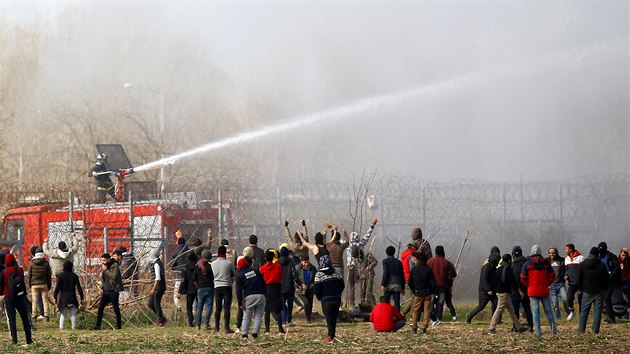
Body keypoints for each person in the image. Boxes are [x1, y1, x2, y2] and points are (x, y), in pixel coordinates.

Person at [521, 244, 557, 338]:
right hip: (544, 290)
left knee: (535, 312)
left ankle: (538, 333)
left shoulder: (527, 264)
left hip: (532, 291)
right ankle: (554, 331)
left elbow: (523, 278)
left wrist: (529, 285)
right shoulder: (546, 263)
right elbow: (552, 276)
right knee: (548, 311)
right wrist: (547, 284)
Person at [487, 254, 528, 334]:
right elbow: (512, 281)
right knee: (499, 310)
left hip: (499, 292)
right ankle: (491, 328)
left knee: (511, 310)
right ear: (509, 260)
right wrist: (519, 290)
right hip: (504, 293)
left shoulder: (498, 268)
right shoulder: (507, 269)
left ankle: (519, 327)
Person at [0, 253, 32, 345]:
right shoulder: (20, 270)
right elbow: (21, 280)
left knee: (12, 319)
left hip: (8, 297)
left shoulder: (4, 272)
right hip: (20, 297)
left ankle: (14, 340)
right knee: (25, 318)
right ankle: (28, 339)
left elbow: (1, 287)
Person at [577, 247, 608, 334]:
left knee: (584, 312)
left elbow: (579, 278)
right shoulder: (601, 265)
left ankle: (581, 330)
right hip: (599, 291)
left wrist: (580, 289)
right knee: (597, 312)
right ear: (597, 255)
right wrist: (605, 288)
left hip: (586, 291)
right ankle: (595, 331)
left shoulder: (582, 264)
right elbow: (605, 279)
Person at [346, 218, 377, 307]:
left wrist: (334, 231)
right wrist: (372, 226)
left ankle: (353, 304)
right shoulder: (360, 244)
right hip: (358, 268)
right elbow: (367, 236)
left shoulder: (348, 244)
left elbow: (339, 240)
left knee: (352, 286)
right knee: (361, 286)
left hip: (352, 268)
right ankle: (362, 303)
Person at [314, 255, 344, 343]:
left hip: (326, 299)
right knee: (334, 318)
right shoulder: (337, 273)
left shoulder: (319, 274)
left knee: (328, 318)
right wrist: (337, 294)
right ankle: (332, 335)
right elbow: (342, 286)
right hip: (337, 299)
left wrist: (320, 298)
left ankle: (330, 336)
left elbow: (317, 289)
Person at [236, 256, 266, 341]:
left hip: (249, 296)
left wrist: (240, 303)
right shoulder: (256, 271)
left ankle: (244, 335)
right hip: (261, 295)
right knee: (258, 316)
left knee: (247, 316)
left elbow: (238, 290)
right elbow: (263, 283)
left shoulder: (240, 275)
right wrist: (265, 295)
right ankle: (255, 335)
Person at [427, 245, 456, 324]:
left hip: (432, 286)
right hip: (443, 286)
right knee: (440, 302)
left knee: (433, 302)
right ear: (443, 252)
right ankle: (439, 318)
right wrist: (450, 285)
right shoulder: (446, 263)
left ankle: (433, 318)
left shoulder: (430, 262)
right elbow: (451, 275)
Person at [467, 253, 499, 324]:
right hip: (484, 291)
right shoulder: (486, 268)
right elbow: (483, 279)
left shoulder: (493, 268)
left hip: (492, 290)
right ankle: (469, 315)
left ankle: (494, 320)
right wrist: (488, 289)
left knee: (495, 305)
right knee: (481, 306)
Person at [93, 253, 123, 330]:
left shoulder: (114, 266)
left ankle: (118, 325)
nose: (103, 262)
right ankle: (97, 325)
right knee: (100, 308)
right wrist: (101, 288)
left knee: (116, 308)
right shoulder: (104, 268)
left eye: (104, 260)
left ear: (108, 259)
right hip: (106, 291)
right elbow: (103, 279)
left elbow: (114, 277)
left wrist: (106, 270)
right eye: (102, 260)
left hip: (113, 291)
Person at [408, 252, 435, 335]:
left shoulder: (414, 269)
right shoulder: (428, 269)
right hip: (427, 292)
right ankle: (424, 327)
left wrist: (414, 290)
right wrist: (432, 291)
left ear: (418, 259)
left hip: (418, 292)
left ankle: (414, 327)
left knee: (415, 310)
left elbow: (410, 282)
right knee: (427, 310)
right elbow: (433, 282)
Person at [259, 250, 285, 334]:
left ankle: (267, 329)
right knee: (278, 309)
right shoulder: (278, 267)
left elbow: (260, 278)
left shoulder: (262, 268)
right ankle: (280, 328)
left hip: (266, 288)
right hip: (277, 287)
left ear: (265, 258)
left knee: (267, 309)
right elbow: (281, 276)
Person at [211, 245, 236, 333]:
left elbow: (211, 276)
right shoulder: (228, 263)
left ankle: (216, 327)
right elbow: (233, 275)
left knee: (218, 308)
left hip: (217, 287)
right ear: (225, 253)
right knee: (226, 308)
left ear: (217, 253)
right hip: (227, 286)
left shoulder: (213, 264)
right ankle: (226, 327)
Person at [53, 261, 84, 330]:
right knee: (73, 314)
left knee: (63, 315)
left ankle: (61, 328)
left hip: (63, 297)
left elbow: (57, 288)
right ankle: (74, 327)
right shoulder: (74, 276)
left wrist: (55, 297)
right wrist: (82, 297)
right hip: (72, 296)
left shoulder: (60, 276)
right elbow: (79, 288)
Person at [597, 242, 621, 324]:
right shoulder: (599, 257)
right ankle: (609, 315)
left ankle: (611, 317)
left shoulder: (611, 257)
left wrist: (610, 276)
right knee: (603, 299)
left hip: (610, 280)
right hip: (601, 281)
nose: (600, 252)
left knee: (607, 298)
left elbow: (617, 268)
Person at [510, 246, 533, 331]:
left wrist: (518, 289)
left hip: (515, 290)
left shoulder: (512, 265)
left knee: (515, 310)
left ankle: (515, 327)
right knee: (527, 308)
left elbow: (512, 279)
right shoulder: (527, 262)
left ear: (513, 254)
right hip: (526, 289)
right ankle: (530, 326)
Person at [28, 248, 51, 322]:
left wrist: (29, 284)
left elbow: (29, 275)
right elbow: (48, 275)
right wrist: (49, 285)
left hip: (34, 284)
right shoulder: (46, 263)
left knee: (34, 301)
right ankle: (46, 315)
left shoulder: (32, 263)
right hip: (44, 283)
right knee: (45, 300)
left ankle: (34, 316)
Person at [193, 249, 214, 330]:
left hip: (200, 288)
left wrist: (197, 286)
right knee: (209, 306)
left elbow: (194, 278)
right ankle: (206, 323)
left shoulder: (197, 265)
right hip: (209, 288)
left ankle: (198, 324)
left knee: (199, 307)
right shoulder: (210, 265)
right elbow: (213, 277)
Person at [547, 247, 570, 320]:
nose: (552, 254)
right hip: (551, 285)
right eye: (550, 253)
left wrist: (566, 275)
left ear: (556, 253)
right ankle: (558, 318)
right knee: (555, 303)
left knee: (565, 299)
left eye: (553, 253)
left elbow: (567, 269)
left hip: (560, 284)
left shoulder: (562, 260)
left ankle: (569, 314)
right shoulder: (547, 261)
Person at [564, 243, 584, 321]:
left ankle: (581, 315)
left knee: (580, 299)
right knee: (569, 298)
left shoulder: (581, 258)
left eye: (566, 249)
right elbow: (566, 270)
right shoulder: (566, 259)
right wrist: (566, 275)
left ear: (570, 249)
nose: (565, 250)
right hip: (571, 283)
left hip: (580, 283)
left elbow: (584, 270)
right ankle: (572, 312)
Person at [178, 251, 199, 327]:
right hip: (198, 288)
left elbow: (183, 281)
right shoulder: (198, 266)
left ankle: (191, 322)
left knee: (189, 307)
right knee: (199, 306)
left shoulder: (185, 268)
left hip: (189, 290)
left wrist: (180, 292)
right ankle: (198, 321)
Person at [294, 255, 316, 323]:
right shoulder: (297, 268)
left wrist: (313, 283)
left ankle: (309, 317)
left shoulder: (313, 268)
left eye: (307, 262)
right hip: (301, 290)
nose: (306, 264)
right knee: (306, 303)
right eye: (304, 262)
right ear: (301, 262)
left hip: (310, 289)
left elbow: (317, 277)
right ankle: (308, 319)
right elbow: (294, 278)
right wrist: (300, 285)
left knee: (310, 304)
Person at [148, 247, 167, 327]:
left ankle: (161, 321)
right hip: (158, 286)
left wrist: (153, 288)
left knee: (156, 303)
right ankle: (161, 318)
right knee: (150, 304)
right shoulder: (157, 263)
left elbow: (158, 278)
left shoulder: (156, 264)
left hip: (159, 287)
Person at [381, 246, 405, 311]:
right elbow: (402, 275)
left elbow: (385, 273)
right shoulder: (399, 262)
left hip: (388, 284)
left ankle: (386, 315)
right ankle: (397, 317)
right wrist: (403, 287)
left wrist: (383, 284)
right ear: (394, 252)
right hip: (398, 284)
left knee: (386, 301)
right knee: (397, 302)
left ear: (386, 252)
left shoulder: (385, 261)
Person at [278, 246, 297, 327]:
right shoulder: (291, 263)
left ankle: (283, 321)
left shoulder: (277, 263)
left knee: (282, 305)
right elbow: (294, 275)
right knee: (290, 304)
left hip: (280, 287)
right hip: (290, 287)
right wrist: (299, 284)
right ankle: (289, 320)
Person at [171, 232, 189, 311]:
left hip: (179, 275)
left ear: (178, 243)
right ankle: (192, 308)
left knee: (176, 294)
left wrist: (174, 269)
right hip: (189, 275)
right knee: (190, 293)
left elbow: (172, 265)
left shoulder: (175, 253)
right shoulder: (189, 251)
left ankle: (179, 308)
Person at [619, 248, 630, 314]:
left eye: (625, 256)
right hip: (621, 282)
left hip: (628, 281)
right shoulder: (617, 261)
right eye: (623, 255)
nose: (624, 257)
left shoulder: (629, 261)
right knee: (623, 297)